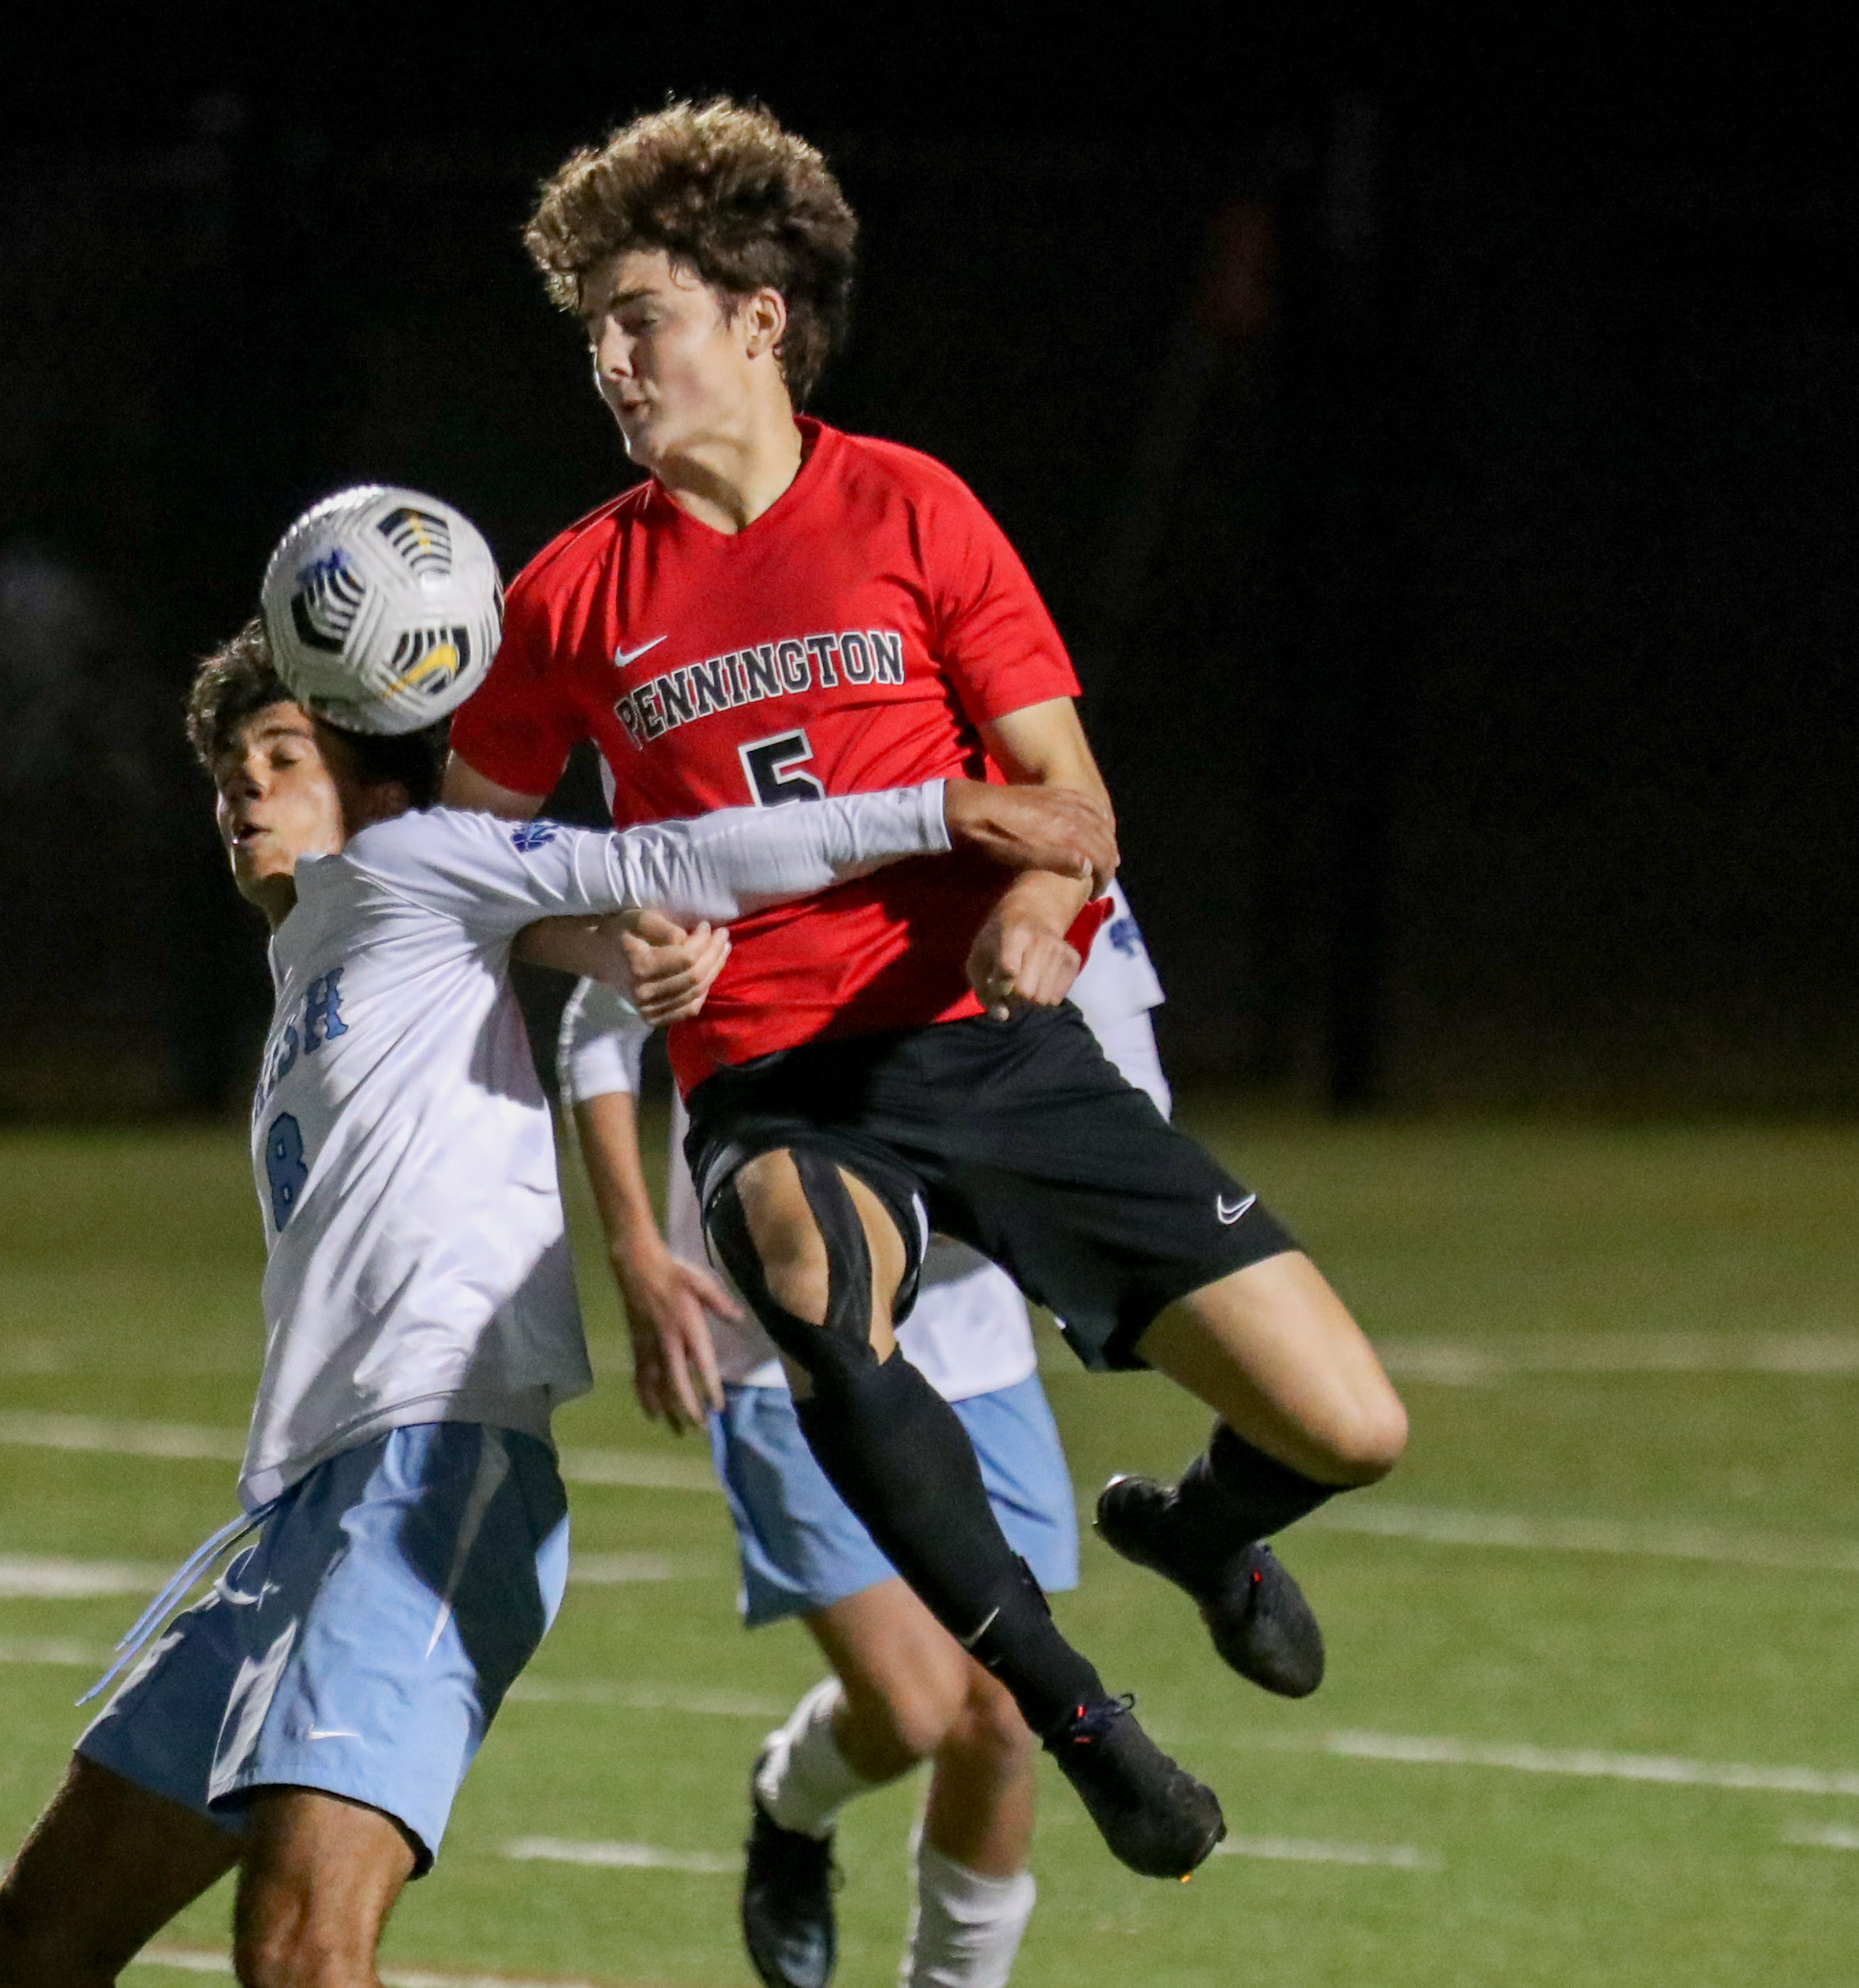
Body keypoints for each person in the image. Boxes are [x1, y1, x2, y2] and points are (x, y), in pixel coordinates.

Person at [442, 100, 1410, 1883]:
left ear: (755, 318)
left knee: (1351, 1426)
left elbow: (1069, 801)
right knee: (810, 1274)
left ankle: (1198, 1531)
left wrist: (1042, 909)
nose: (606, 355)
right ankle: (1082, 1722)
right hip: (774, 1087)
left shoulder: (912, 508)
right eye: (590, 324)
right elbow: (465, 882)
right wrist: (604, 936)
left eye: (635, 312)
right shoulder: (569, 593)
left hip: (989, 1050)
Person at [0, 618, 1115, 1988]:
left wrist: (948, 804)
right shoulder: (320, 952)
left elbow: (672, 858)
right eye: (228, 767)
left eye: (283, 754)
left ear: (376, 779)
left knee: (298, 1954)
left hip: (431, 1474)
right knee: (37, 1939)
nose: (242, 789)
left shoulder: (407, 859)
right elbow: (600, 931)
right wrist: (622, 955)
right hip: (304, 1505)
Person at [561, 883, 1172, 1988]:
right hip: (785, 1345)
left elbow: (1139, 1090)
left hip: (978, 1350)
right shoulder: (747, 829)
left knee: (1000, 1713)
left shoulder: (1054, 868)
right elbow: (598, 1027)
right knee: (914, 1703)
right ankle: (790, 1800)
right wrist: (638, 1249)